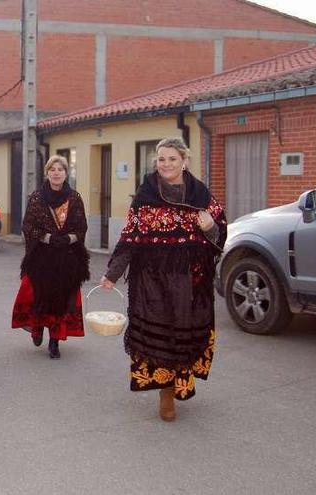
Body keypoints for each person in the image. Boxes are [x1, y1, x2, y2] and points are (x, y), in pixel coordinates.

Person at [100, 138, 226, 421]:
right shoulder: (145, 196)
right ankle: (166, 391)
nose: (165, 164)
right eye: (161, 159)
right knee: (161, 337)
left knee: (186, 334)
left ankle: (181, 383)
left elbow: (220, 233)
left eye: (171, 158)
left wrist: (211, 228)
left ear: (184, 161)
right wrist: (112, 274)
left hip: (192, 281)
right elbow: (129, 238)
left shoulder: (201, 195)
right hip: (152, 281)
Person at [11, 155, 90, 359]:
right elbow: (28, 226)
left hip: (67, 257)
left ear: (66, 173)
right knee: (36, 295)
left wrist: (68, 239)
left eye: (60, 169)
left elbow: (81, 228)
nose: (56, 173)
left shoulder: (75, 198)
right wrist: (47, 238)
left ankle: (54, 341)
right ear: (47, 173)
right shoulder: (37, 197)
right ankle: (37, 329)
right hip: (41, 257)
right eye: (52, 169)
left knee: (61, 300)